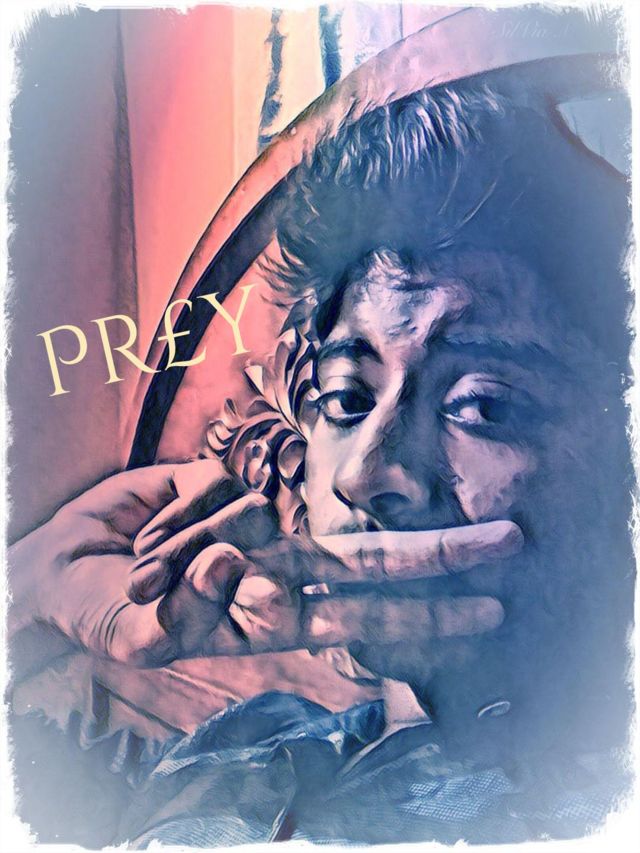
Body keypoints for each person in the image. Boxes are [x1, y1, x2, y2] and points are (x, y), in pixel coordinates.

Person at [7, 78, 634, 846]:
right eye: (346, 397)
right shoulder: (246, 743)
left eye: (483, 406)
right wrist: (36, 585)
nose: (365, 472)